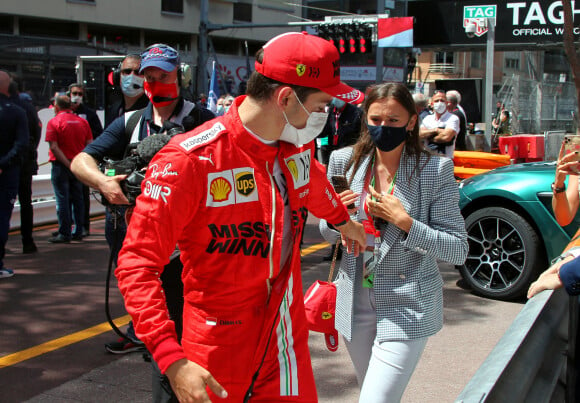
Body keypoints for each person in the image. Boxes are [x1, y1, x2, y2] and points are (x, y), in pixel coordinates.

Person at [113, 31, 367, 402]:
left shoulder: (295, 144)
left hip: (284, 335)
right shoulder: (189, 160)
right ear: (285, 98)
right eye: (320, 105)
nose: (324, 117)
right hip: (218, 342)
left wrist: (344, 221)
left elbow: (311, 180)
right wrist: (171, 360)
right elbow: (136, 264)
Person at [319, 82, 468, 402]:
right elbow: (327, 232)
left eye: (393, 121)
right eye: (375, 120)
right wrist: (338, 220)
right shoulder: (343, 161)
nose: (382, 128)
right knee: (377, 393)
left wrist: (407, 223)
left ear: (412, 122)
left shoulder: (434, 169)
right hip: (355, 300)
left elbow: (458, 247)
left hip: (406, 303)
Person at [71, 43, 215, 356]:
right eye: (147, 75)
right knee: (151, 313)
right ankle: (156, 352)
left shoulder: (204, 119)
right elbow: (80, 160)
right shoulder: (130, 122)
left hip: (190, 240)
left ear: (180, 76)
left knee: (185, 316)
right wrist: (105, 182)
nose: (153, 82)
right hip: (141, 234)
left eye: (162, 75)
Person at [46, 95, 93, 243]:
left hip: (61, 165)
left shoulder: (54, 122)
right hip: (78, 164)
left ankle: (65, 232)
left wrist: (67, 163)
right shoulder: (83, 122)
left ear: (56, 107)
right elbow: (90, 144)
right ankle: (79, 230)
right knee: (78, 198)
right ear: (71, 107)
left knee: (62, 199)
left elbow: (53, 146)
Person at [9, 74, 42, 254]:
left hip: (13, 163)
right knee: (26, 202)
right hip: (26, 161)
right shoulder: (28, 107)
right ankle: (27, 241)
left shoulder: (14, 107)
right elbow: (36, 133)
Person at [0, 70, 29, 278]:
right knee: (1, 218)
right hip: (8, 171)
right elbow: (22, 144)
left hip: (8, 169)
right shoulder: (17, 111)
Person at [68, 83, 103, 237]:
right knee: (65, 197)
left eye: (80, 94)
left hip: (84, 161)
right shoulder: (64, 114)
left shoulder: (89, 114)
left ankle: (84, 226)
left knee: (82, 195)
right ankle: (67, 227)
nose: (77, 96)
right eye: (75, 93)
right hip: (65, 161)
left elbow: (99, 134)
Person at [104, 54, 149, 127]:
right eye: (127, 72)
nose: (131, 76)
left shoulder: (153, 109)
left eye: (138, 72)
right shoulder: (114, 109)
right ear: (118, 76)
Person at [318, 97, 363, 166]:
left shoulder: (356, 113)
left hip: (349, 155)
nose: (336, 99)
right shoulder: (330, 111)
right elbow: (325, 133)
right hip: (332, 155)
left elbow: (360, 136)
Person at [419, 90, 460, 159]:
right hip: (428, 159)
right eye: (436, 101)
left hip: (445, 159)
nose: (439, 103)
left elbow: (446, 137)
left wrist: (428, 137)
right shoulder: (427, 119)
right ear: (432, 104)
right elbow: (419, 134)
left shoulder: (453, 118)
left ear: (447, 103)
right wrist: (436, 130)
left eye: (442, 100)